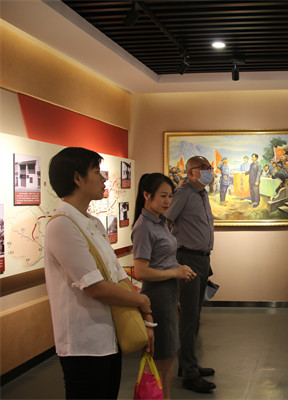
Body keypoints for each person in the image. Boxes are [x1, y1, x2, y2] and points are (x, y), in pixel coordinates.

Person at [44, 147, 153, 399]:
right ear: (77, 178)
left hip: (108, 335)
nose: (104, 178)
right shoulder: (62, 225)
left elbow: (116, 275)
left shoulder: (92, 223)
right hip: (84, 341)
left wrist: (144, 316)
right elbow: (94, 286)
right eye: (96, 171)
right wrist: (141, 300)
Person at [131, 173, 197, 399]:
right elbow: (141, 271)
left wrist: (179, 268)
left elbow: (162, 259)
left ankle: (165, 396)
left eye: (170, 196)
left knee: (168, 354)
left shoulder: (160, 222)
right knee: (160, 356)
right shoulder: (143, 227)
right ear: (147, 195)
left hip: (169, 293)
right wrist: (174, 272)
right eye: (163, 196)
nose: (168, 201)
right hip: (156, 297)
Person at [165, 156, 217, 393]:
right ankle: (189, 372)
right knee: (188, 315)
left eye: (209, 167)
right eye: (204, 168)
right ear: (191, 172)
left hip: (203, 258)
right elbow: (167, 220)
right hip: (187, 258)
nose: (208, 171)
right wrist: (168, 254)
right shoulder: (184, 192)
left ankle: (189, 363)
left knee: (195, 315)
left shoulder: (202, 194)